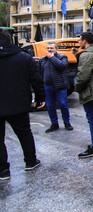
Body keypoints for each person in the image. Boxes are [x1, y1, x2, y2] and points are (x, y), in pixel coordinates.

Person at [0, 29, 45, 180]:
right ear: (9, 39)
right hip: (18, 104)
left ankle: (3, 171)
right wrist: (40, 98)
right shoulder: (24, 57)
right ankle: (31, 161)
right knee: (25, 133)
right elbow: (36, 80)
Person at [72, 32, 93, 158]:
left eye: (80, 40)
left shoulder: (87, 55)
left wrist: (77, 88)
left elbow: (83, 75)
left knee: (92, 119)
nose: (79, 42)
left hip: (90, 91)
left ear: (85, 41)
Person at [38, 41, 73, 133]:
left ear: (56, 49)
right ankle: (54, 124)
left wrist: (52, 58)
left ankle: (67, 123)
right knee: (50, 106)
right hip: (47, 87)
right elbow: (40, 73)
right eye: (48, 48)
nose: (49, 50)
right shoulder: (43, 60)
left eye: (51, 48)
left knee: (63, 104)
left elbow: (62, 66)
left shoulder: (62, 57)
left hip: (60, 86)